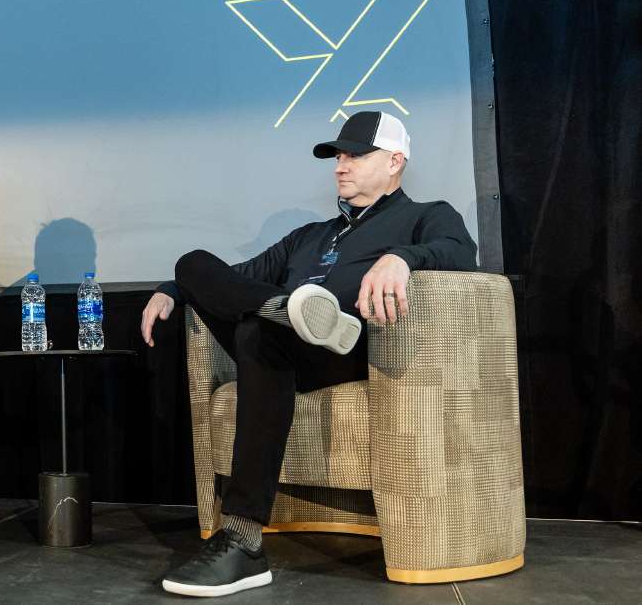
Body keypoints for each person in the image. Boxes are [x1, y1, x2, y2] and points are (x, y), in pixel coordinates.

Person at [141, 111, 477, 597]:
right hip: (283, 343)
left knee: (257, 333)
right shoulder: (311, 236)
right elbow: (237, 273)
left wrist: (402, 257)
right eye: (338, 156)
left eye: (357, 155)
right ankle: (284, 310)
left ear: (395, 161)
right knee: (194, 265)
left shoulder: (424, 215)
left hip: (348, 348)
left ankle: (242, 539)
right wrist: (173, 290)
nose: (341, 166)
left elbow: (459, 251)